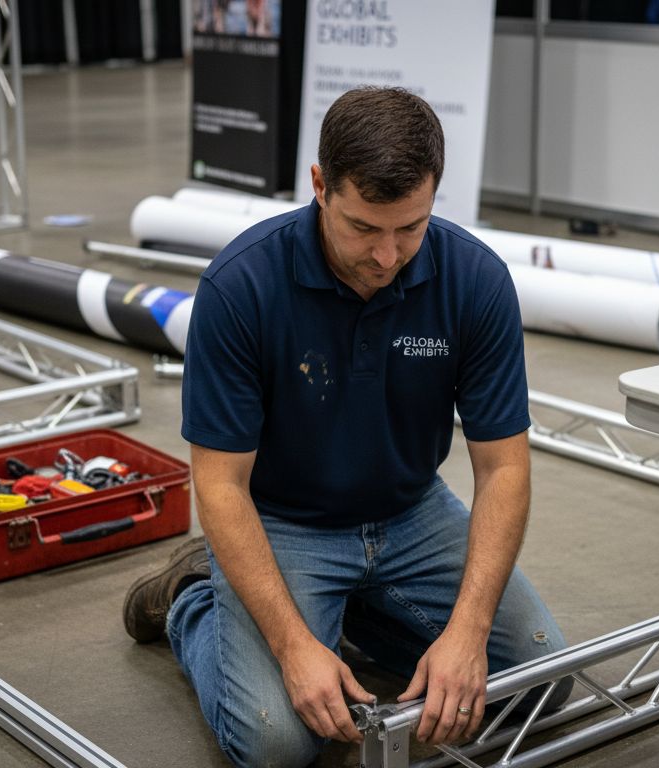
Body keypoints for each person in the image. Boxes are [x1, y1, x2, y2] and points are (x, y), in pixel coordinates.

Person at [123, 86, 571, 768]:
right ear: (319, 186)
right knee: (277, 745)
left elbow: (504, 467)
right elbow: (218, 485)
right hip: (283, 522)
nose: (388, 256)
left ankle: (353, 611)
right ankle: (197, 603)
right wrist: (294, 646)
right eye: (364, 228)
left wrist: (468, 633)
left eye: (411, 228)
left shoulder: (475, 281)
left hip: (411, 514)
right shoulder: (241, 289)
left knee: (539, 681)